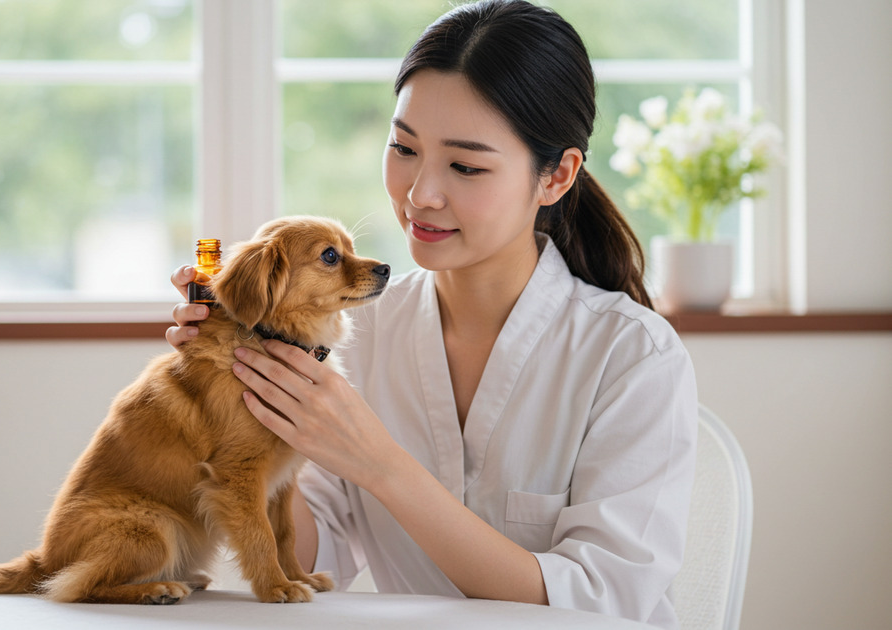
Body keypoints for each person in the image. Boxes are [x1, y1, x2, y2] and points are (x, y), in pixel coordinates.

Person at [167, 1, 696, 627]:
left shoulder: (632, 356)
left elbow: (603, 602)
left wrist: (380, 465)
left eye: (465, 165)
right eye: (403, 148)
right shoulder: (348, 332)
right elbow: (304, 558)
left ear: (557, 177)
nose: (420, 195)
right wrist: (229, 400)